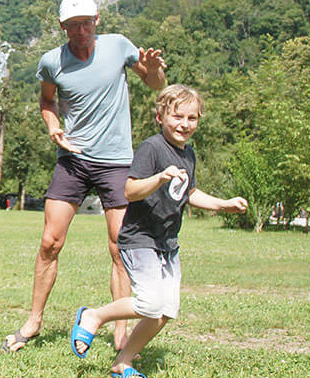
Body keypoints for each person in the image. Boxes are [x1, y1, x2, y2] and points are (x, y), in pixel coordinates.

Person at [2, 0, 167, 352]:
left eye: (85, 23)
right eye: (72, 25)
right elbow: (47, 102)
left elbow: (154, 84)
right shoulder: (51, 62)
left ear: (96, 20)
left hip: (117, 162)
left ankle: (121, 333)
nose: (80, 31)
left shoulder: (119, 46)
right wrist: (53, 126)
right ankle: (33, 322)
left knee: (120, 248)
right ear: (63, 27)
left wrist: (154, 70)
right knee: (50, 242)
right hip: (73, 160)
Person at [68, 84, 247, 377]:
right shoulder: (152, 148)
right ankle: (94, 315)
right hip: (140, 238)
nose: (184, 124)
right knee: (150, 303)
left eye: (192, 118)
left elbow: (189, 192)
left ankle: (123, 362)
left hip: (167, 242)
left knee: (165, 311)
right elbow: (130, 189)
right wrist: (160, 178)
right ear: (160, 117)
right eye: (177, 116)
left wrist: (223, 204)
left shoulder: (188, 154)